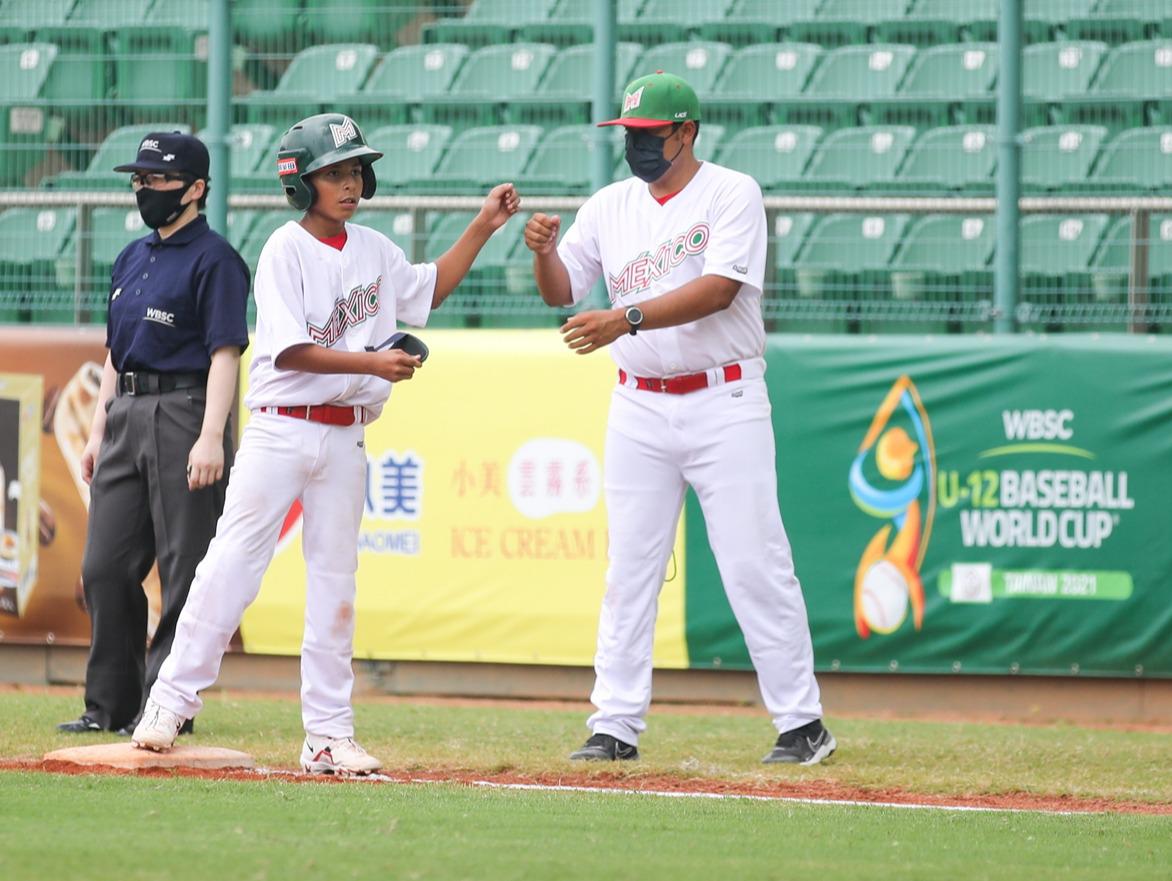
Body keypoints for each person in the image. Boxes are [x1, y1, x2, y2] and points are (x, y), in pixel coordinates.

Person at [131, 113, 521, 775]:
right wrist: (373, 364)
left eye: (353, 171)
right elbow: (290, 350)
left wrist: (483, 224)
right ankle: (168, 701)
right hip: (282, 426)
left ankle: (328, 735)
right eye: (332, 172)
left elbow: (428, 289)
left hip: (345, 438)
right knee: (232, 566)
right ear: (300, 182)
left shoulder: (372, 248)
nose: (348, 183)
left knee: (336, 587)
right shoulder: (285, 247)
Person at [524, 72, 836, 765]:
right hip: (638, 400)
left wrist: (625, 316)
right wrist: (544, 250)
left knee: (755, 563)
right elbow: (563, 292)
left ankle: (802, 721)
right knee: (630, 567)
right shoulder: (609, 205)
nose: (635, 145)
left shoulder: (731, 191)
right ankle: (614, 725)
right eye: (628, 134)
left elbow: (721, 289)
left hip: (723, 397)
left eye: (648, 134)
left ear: (686, 132)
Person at [58, 132, 250, 736]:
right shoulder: (130, 258)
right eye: (139, 180)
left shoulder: (216, 259)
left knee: (183, 567)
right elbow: (115, 354)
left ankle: (167, 704)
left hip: (186, 409)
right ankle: (108, 707)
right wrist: (96, 431)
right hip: (127, 414)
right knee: (104, 567)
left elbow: (225, 352)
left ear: (195, 189)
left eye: (157, 180)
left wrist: (211, 435)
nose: (144, 189)